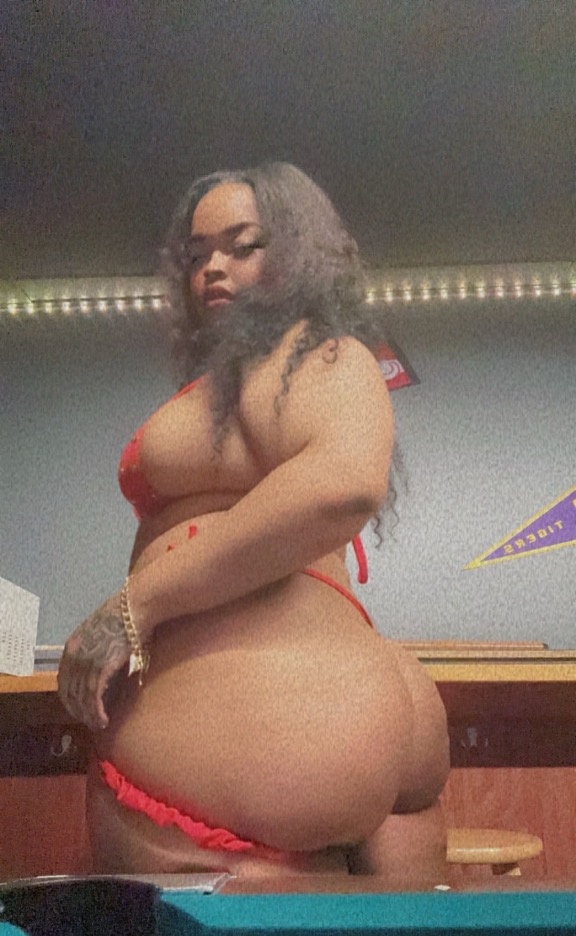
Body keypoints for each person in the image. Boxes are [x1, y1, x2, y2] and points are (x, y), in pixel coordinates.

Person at [58, 162, 449, 883]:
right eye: (197, 254)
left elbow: (340, 484)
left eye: (243, 246)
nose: (213, 268)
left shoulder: (311, 355)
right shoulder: (257, 378)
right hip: (326, 716)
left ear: (298, 252)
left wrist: (133, 606)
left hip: (291, 727)